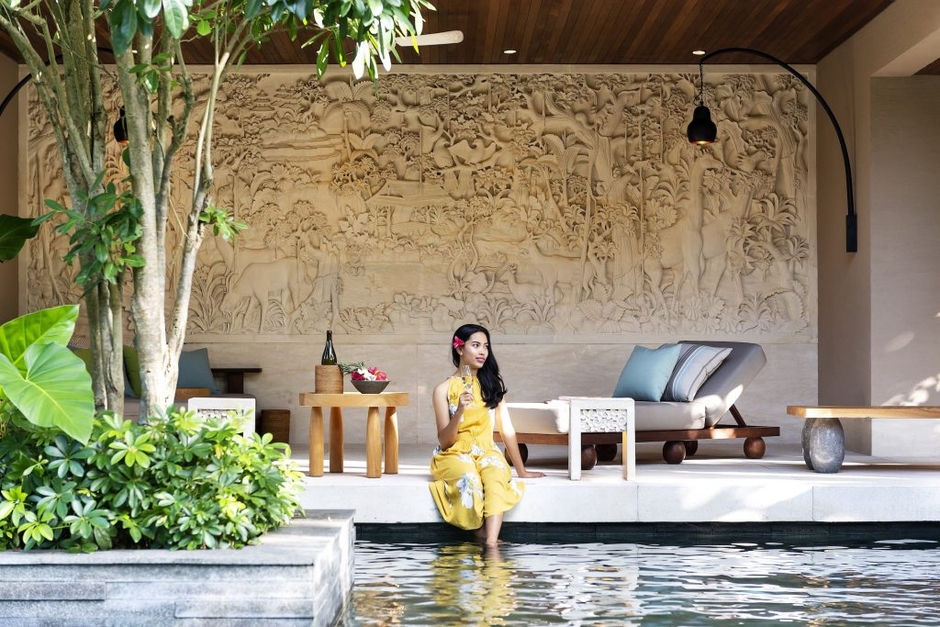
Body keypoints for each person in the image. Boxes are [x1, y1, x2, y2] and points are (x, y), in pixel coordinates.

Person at [429, 323, 544, 546]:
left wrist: (521, 470)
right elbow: (444, 442)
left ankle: (490, 542)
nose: (482, 351)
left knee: (495, 475)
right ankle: (479, 533)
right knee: (469, 478)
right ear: (459, 349)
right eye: (476, 345)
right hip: (454, 452)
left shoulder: (492, 385)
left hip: (486, 450)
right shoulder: (442, 390)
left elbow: (507, 430)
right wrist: (459, 411)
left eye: (486, 346)